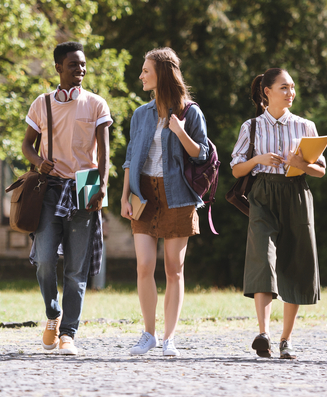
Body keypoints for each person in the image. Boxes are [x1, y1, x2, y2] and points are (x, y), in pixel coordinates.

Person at [22, 41, 111, 356]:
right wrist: (37, 161)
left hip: (86, 182)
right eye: (73, 64)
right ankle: (52, 314)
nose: (81, 70)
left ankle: (68, 334)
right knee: (44, 259)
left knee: (77, 267)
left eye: (83, 64)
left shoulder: (97, 104)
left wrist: (102, 185)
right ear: (58, 67)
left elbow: (104, 150)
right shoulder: (41, 104)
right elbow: (27, 146)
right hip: (50, 185)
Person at [121, 48, 210, 357]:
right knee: (144, 265)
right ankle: (149, 334)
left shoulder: (190, 112)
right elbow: (130, 157)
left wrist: (181, 132)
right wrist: (124, 196)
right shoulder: (140, 114)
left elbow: (202, 154)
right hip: (144, 194)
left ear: (162, 74)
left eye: (146, 70)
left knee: (174, 269)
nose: (142, 75)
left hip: (178, 195)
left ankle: (169, 337)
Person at [230, 68, 324, 360]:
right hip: (263, 194)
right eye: (284, 87)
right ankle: (264, 333)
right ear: (267, 91)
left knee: (294, 262)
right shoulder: (252, 127)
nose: (290, 93)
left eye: (292, 88)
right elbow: (235, 168)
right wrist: (257, 159)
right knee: (262, 258)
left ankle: (286, 340)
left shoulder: (305, 126)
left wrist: (300, 162)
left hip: (296, 193)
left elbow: (321, 170)